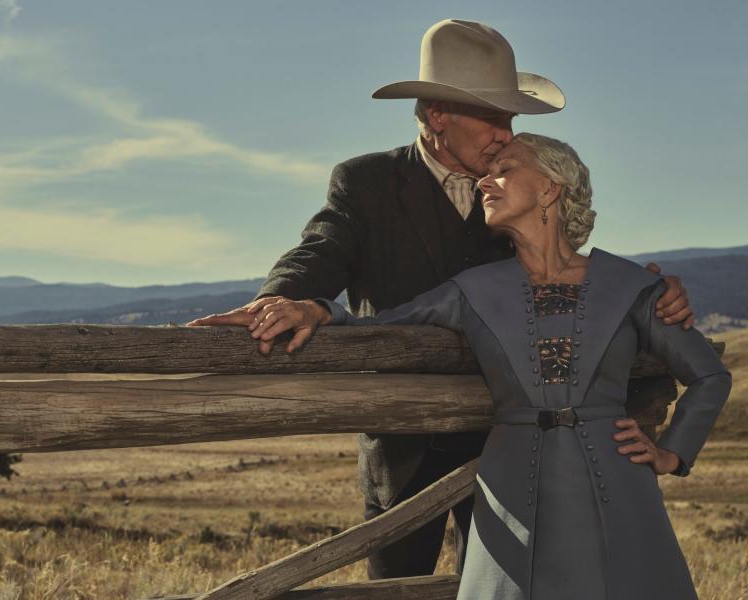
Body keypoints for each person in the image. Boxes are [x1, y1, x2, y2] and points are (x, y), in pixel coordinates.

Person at [188, 19, 694, 579]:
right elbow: (321, 250)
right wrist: (284, 299)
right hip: (403, 444)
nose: (507, 132)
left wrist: (651, 286)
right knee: (397, 589)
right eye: (493, 116)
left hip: (512, 448)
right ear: (437, 116)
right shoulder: (368, 182)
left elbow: (567, 265)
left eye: (510, 117)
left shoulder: (513, 185)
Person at [227, 133, 731, 599]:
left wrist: (671, 453)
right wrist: (315, 308)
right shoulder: (472, 290)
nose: (486, 180)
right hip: (511, 484)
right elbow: (381, 325)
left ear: (551, 189)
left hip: (616, 482)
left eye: (506, 169)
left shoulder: (632, 286)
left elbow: (709, 375)